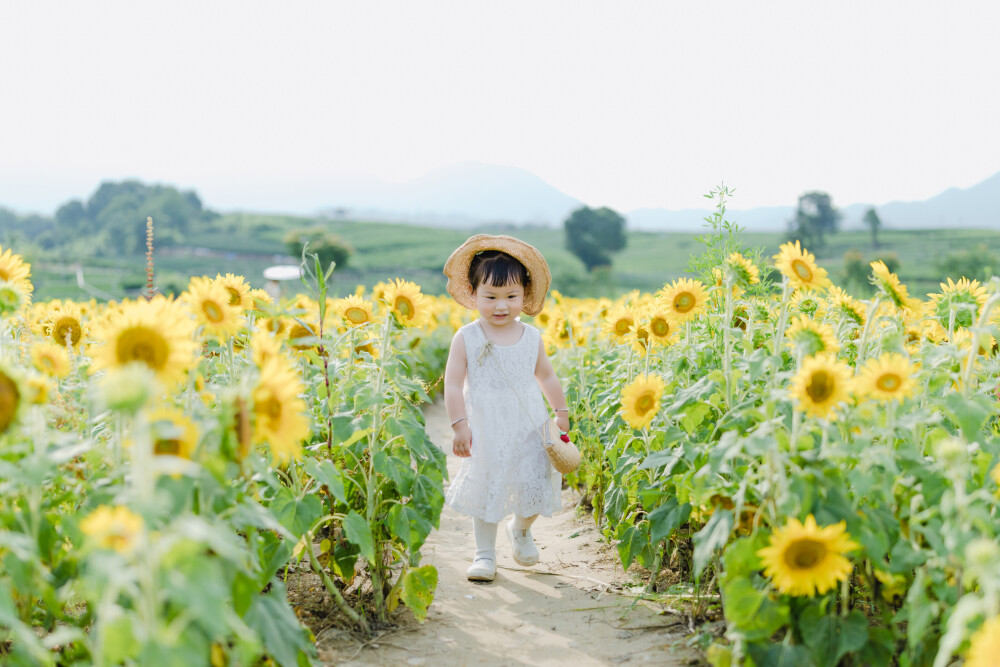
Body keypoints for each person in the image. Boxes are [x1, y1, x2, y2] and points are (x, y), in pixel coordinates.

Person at [442, 234, 571, 582]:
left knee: (533, 482)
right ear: (473, 293)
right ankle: (484, 553)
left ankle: (521, 529)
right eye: (491, 297)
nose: (501, 306)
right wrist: (459, 425)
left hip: (527, 425)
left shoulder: (531, 337)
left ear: (525, 295)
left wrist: (560, 412)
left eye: (511, 296)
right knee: (487, 485)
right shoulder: (467, 336)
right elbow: (453, 383)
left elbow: (547, 377)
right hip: (485, 426)